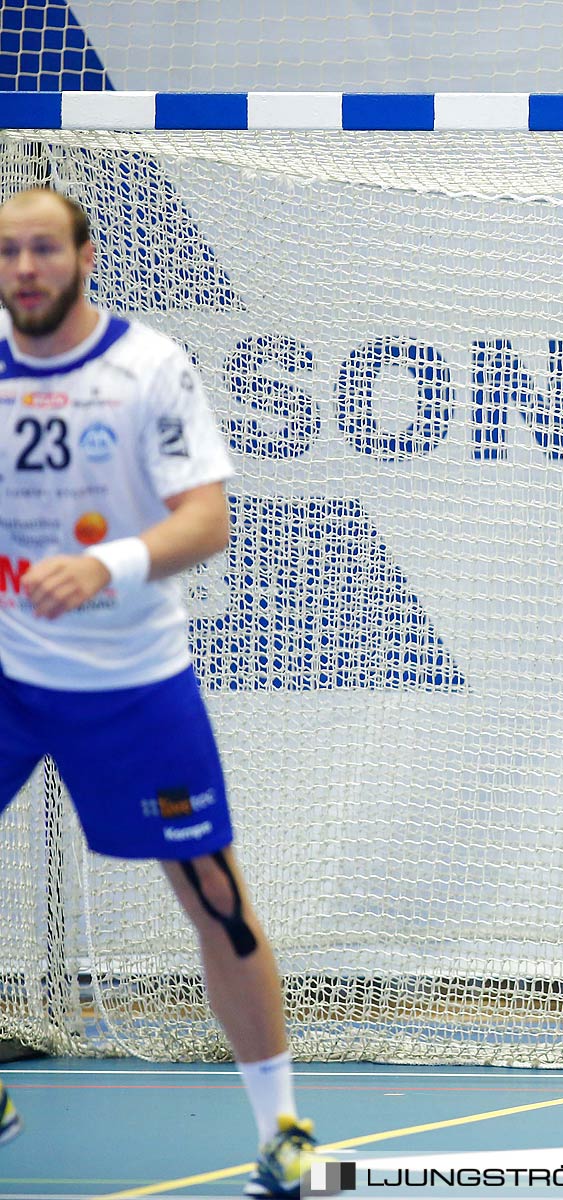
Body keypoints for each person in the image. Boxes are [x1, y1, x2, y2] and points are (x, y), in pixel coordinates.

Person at [0, 188, 322, 1196]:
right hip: (10, 673)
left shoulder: (149, 368)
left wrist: (111, 565)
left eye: (43, 248)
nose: (23, 268)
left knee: (216, 902)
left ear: (85, 256)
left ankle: (282, 1132)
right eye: (6, 251)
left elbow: (205, 521)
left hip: (132, 683)